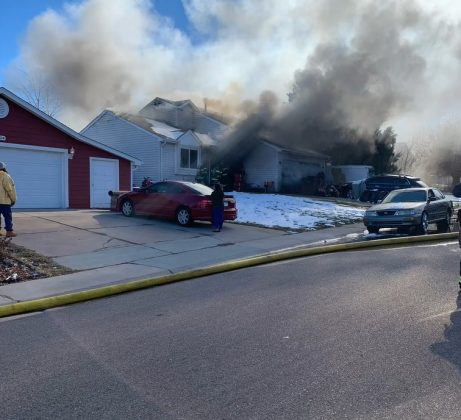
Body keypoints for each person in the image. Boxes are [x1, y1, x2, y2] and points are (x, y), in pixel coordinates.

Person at [0, 162, 17, 237]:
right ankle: (9, 231)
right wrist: (13, 199)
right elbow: (10, 189)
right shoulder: (5, 176)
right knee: (7, 216)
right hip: (4, 201)